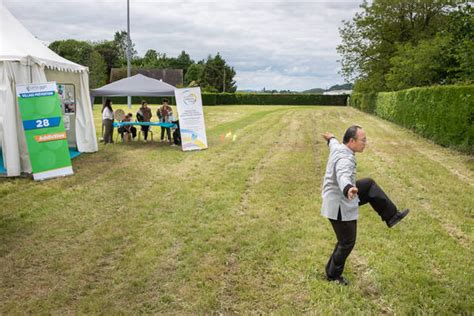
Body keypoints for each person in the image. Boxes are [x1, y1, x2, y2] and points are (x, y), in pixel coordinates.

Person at [321, 125, 409, 285]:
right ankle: (333, 275)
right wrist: (348, 188)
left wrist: (331, 138)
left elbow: (333, 143)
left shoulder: (339, 148)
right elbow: (342, 174)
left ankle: (392, 216)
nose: (365, 143)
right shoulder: (344, 159)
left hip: (342, 195)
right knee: (347, 242)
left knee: (368, 185)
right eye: (363, 140)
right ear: (352, 141)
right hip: (338, 203)